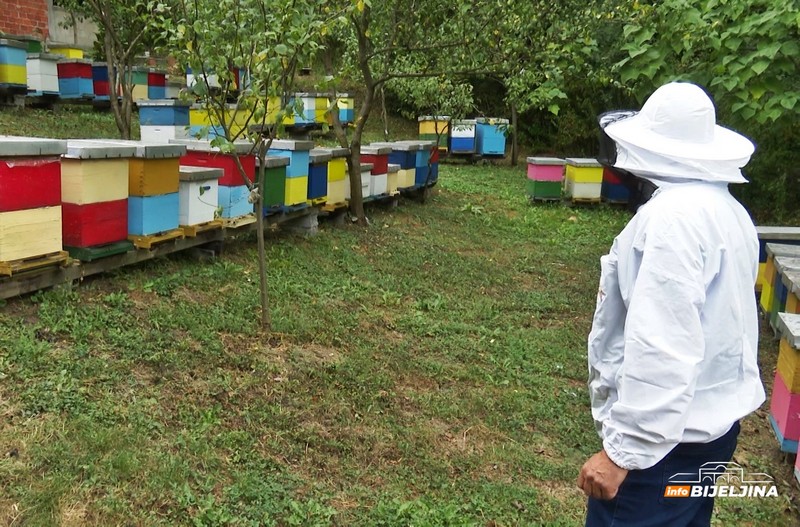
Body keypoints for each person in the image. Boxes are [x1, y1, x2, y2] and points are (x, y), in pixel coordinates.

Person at [577, 81, 766, 526]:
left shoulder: (672, 221)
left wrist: (623, 454)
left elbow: (662, 346)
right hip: (710, 436)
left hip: (661, 452)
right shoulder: (726, 208)